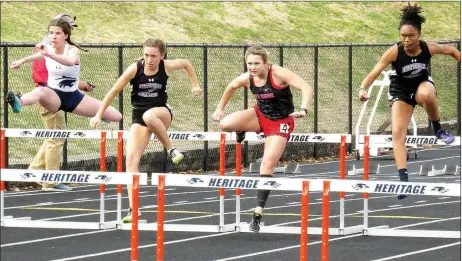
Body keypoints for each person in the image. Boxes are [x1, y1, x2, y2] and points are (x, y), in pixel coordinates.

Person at [89, 38, 202, 223]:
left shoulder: (167, 66)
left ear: (162, 56)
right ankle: (134, 210)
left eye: (154, 56)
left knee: (150, 116)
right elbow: (113, 91)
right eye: (146, 55)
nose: (149, 60)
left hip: (162, 113)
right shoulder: (135, 68)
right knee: (131, 161)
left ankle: (171, 149)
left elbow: (187, 64)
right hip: (138, 115)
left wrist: (195, 85)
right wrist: (98, 115)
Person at [358, 3, 460, 199]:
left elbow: (453, 52)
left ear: (419, 35)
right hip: (401, 92)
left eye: (410, 36)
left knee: (428, 93)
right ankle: (404, 181)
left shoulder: (427, 47)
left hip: (421, 87)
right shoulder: (394, 51)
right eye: (403, 36)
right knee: (397, 132)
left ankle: (438, 128)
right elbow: (373, 73)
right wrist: (363, 89)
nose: (406, 40)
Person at [211, 46, 313, 232]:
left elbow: (306, 87)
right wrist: (220, 108)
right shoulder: (247, 78)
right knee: (225, 124)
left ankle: (258, 212)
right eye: (249, 63)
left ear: (265, 63)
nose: (252, 67)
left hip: (280, 122)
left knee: (267, 165)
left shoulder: (278, 73)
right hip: (260, 116)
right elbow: (230, 87)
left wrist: (304, 108)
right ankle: (241, 129)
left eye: (256, 63)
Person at [6, 17, 122, 123]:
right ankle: (19, 102)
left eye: (58, 33)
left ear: (66, 35)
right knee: (40, 91)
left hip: (74, 97)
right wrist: (21, 61)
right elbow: (38, 56)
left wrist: (50, 55)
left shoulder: (72, 50)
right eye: (51, 33)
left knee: (117, 116)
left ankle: (100, 115)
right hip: (53, 96)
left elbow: (70, 61)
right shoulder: (48, 51)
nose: (53, 36)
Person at [29, 13, 95, 192]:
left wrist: (80, 85)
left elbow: (60, 75)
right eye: (69, 28)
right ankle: (50, 181)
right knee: (56, 138)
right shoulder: (50, 48)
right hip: (49, 96)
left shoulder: (51, 47)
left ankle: (35, 170)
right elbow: (51, 77)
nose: (70, 32)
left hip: (49, 93)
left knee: (54, 136)